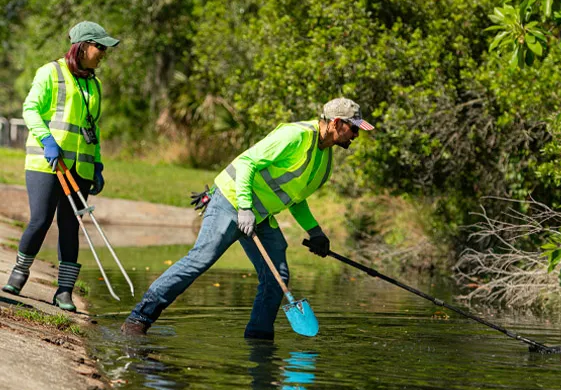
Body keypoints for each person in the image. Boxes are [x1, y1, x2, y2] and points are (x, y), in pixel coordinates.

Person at [121, 98, 374, 339]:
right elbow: (247, 163)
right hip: (231, 201)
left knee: (277, 276)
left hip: (260, 216)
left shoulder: (325, 161)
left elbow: (295, 199)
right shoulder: (295, 135)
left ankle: (258, 341)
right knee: (201, 259)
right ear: (336, 122)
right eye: (353, 128)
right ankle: (138, 319)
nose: (356, 135)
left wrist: (315, 232)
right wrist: (244, 208)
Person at [2, 21, 120, 312]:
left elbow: (93, 128)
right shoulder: (50, 72)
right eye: (100, 47)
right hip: (47, 162)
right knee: (40, 220)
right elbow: (30, 109)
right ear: (82, 47)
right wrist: (47, 141)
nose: (103, 53)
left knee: (71, 227)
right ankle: (19, 273)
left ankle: (64, 291)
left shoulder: (95, 84)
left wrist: (99, 164)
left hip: (81, 168)